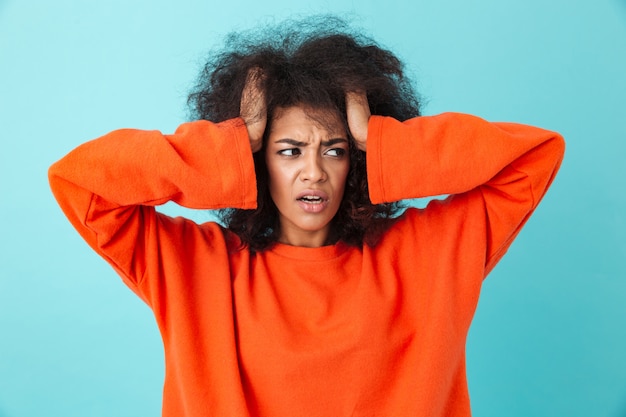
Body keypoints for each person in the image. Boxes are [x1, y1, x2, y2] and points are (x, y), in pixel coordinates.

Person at [49, 17, 564, 417]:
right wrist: (235, 143)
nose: (313, 172)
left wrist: (378, 140)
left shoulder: (426, 255)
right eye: (289, 151)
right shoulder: (195, 267)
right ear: (258, 163)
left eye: (334, 150)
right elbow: (81, 181)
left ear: (355, 164)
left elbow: (534, 155)